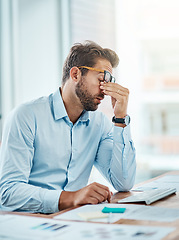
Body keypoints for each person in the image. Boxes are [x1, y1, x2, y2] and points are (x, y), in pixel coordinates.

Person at [0, 41, 136, 213]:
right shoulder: (26, 116)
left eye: (110, 82)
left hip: (73, 220)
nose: (105, 90)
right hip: (28, 221)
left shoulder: (99, 123)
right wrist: (71, 197)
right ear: (75, 74)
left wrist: (121, 118)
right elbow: (8, 192)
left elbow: (123, 182)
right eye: (102, 80)